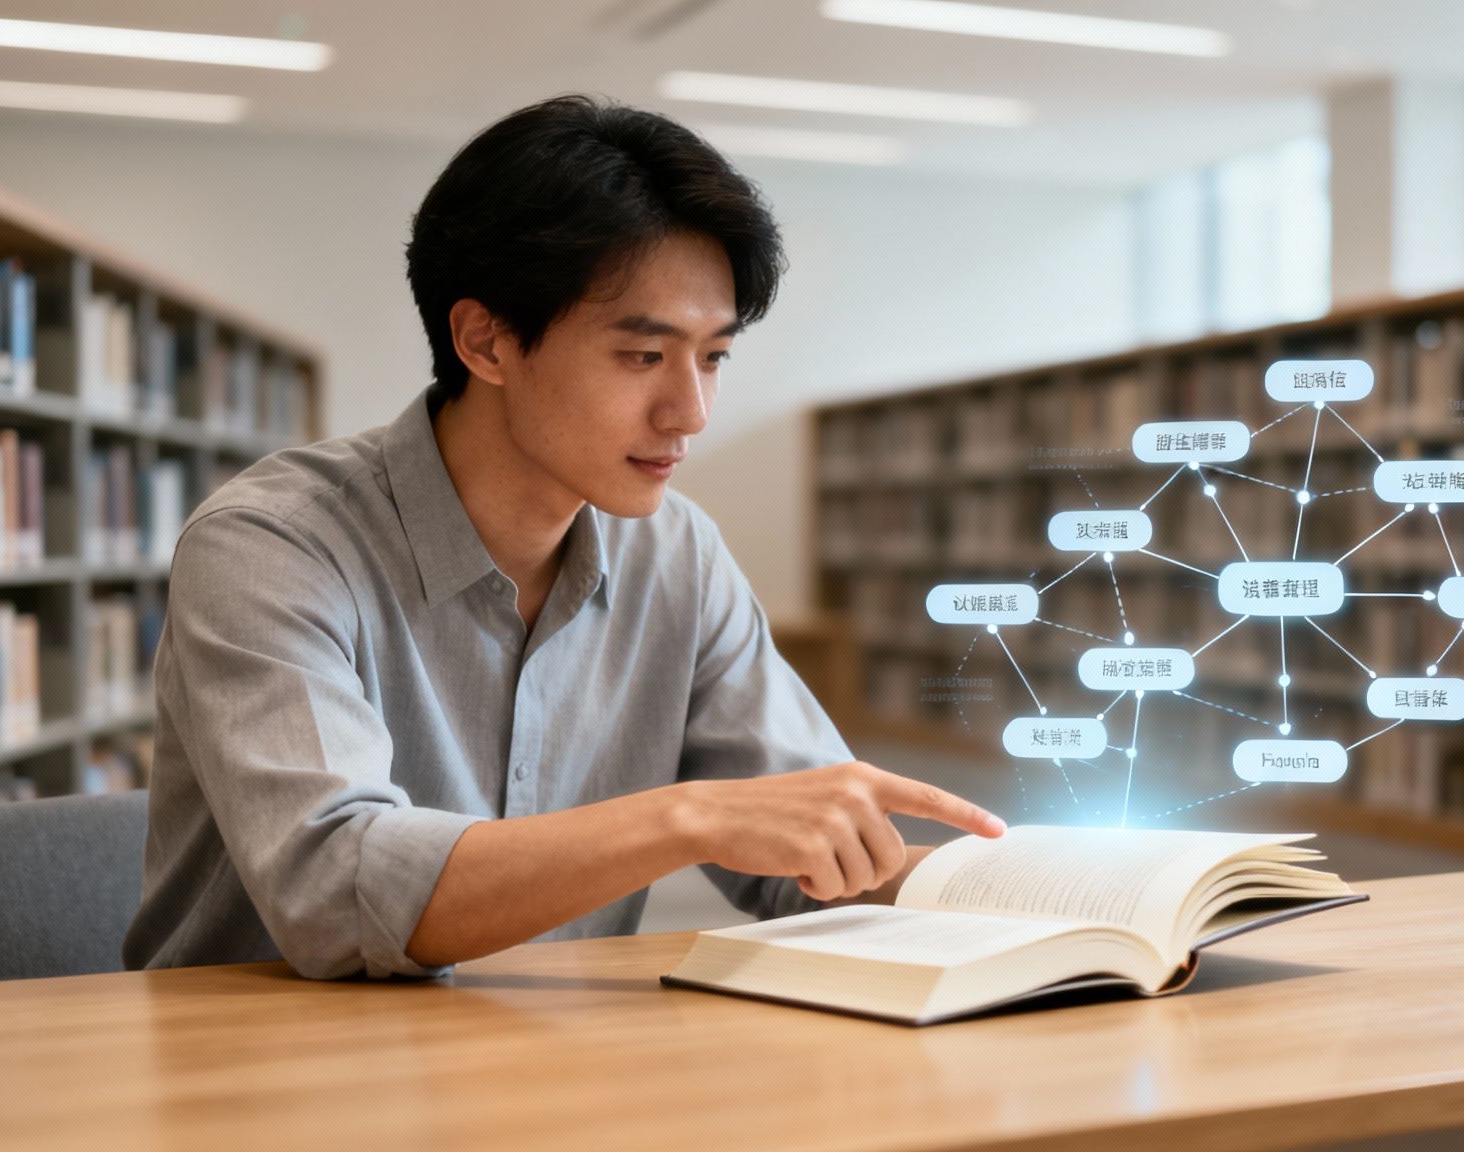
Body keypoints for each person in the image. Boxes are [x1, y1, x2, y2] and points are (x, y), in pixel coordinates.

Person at [122, 95, 1003, 980]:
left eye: (714, 357)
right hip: (262, 1077)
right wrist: (689, 817)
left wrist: (1060, 885)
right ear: (487, 341)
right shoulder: (272, 547)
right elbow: (334, 889)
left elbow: (815, 866)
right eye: (643, 356)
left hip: (547, 1063)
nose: (689, 413)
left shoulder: (679, 558)